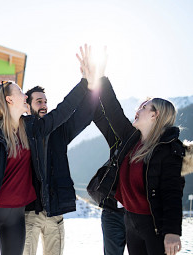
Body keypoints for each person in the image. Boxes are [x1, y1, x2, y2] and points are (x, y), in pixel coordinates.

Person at [0, 50, 98, 255]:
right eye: (20, 92)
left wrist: (84, 82)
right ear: (9, 100)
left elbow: (62, 111)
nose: (25, 95)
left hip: (16, 216)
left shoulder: (32, 128)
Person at [79, 44, 192, 255]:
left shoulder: (169, 150)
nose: (137, 110)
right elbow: (112, 109)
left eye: (144, 108)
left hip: (154, 226)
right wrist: (99, 77)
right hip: (130, 221)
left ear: (155, 115)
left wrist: (172, 232)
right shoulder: (131, 140)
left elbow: (172, 193)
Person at [23, 85, 97, 255]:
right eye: (39, 101)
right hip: (28, 213)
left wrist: (92, 87)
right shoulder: (21, 130)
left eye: (45, 102)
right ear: (27, 105)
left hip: (54, 212)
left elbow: (83, 116)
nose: (44, 105)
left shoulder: (59, 131)